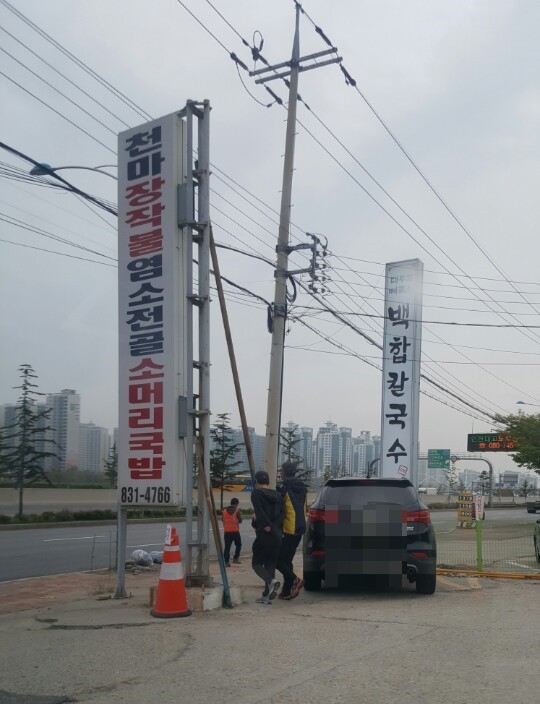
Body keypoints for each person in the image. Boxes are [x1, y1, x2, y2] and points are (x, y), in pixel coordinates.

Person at [250, 470, 284, 604]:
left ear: (256, 481)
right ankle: (266, 595)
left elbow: (259, 510)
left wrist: (266, 525)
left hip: (265, 533)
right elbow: (283, 514)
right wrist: (274, 526)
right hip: (277, 535)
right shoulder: (278, 495)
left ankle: (271, 582)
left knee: (257, 563)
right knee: (270, 564)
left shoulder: (256, 493)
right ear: (268, 481)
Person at [276, 461, 307, 599]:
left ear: (285, 472)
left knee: (276, 559)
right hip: (299, 527)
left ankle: (296, 580)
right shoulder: (302, 486)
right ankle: (286, 590)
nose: (280, 473)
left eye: (281, 470)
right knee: (287, 560)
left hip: (289, 527)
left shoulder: (285, 486)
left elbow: (278, 506)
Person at [221, 497, 243, 567]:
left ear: (231, 503)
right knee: (238, 544)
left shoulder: (224, 511)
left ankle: (226, 562)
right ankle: (236, 558)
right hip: (235, 531)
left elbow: (222, 520)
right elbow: (240, 521)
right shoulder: (237, 511)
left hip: (227, 532)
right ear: (237, 504)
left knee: (227, 547)